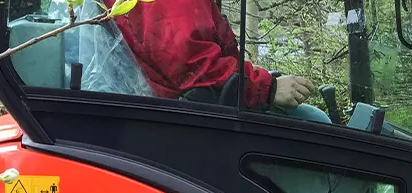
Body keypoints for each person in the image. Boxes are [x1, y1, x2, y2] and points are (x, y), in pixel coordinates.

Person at [106, 0, 331, 123]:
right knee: (312, 121)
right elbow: (194, 68)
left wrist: (254, 77)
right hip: (173, 124)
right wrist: (267, 88)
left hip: (161, 117)